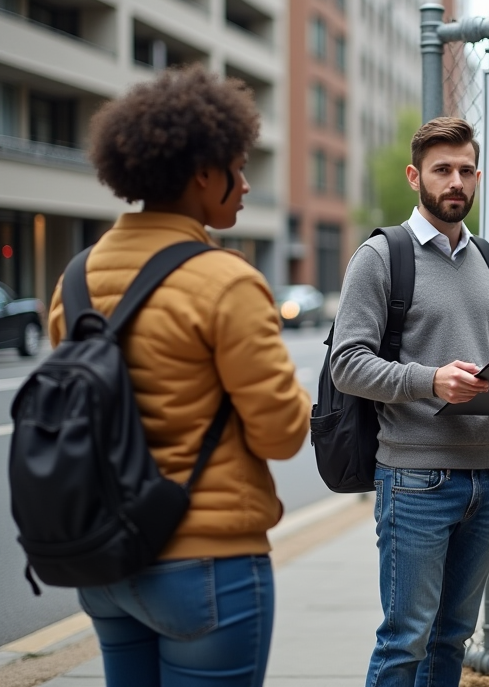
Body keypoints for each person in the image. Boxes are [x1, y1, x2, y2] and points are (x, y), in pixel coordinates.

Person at [46, 65, 312, 686]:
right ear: (202, 174)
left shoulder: (76, 278)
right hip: (206, 563)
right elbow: (281, 436)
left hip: (105, 559)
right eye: (237, 168)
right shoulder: (225, 279)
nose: (245, 184)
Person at [329, 117, 489, 687]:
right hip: (414, 479)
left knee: (452, 637)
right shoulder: (381, 256)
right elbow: (347, 364)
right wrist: (430, 381)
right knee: (405, 639)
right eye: (442, 170)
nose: (456, 181)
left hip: (487, 475)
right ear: (415, 177)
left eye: (466, 170)